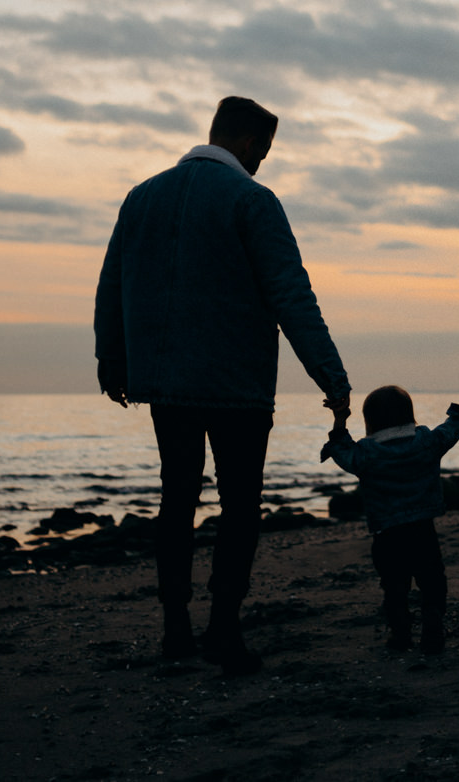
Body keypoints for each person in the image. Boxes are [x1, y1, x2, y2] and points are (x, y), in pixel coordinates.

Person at [94, 96, 351, 673]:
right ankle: (224, 627)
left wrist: (114, 363)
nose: (263, 162)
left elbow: (111, 285)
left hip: (167, 384)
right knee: (240, 507)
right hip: (238, 387)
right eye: (265, 151)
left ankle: (175, 627)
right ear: (251, 144)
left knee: (176, 500)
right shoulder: (253, 200)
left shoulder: (141, 197)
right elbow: (292, 296)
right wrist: (332, 378)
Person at [321, 384, 459, 654]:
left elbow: (341, 449)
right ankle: (432, 624)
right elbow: (452, 428)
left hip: (386, 535)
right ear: (410, 416)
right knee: (432, 582)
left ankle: (400, 634)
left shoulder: (367, 453)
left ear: (369, 421)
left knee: (394, 587)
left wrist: (340, 419)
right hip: (423, 530)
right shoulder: (425, 442)